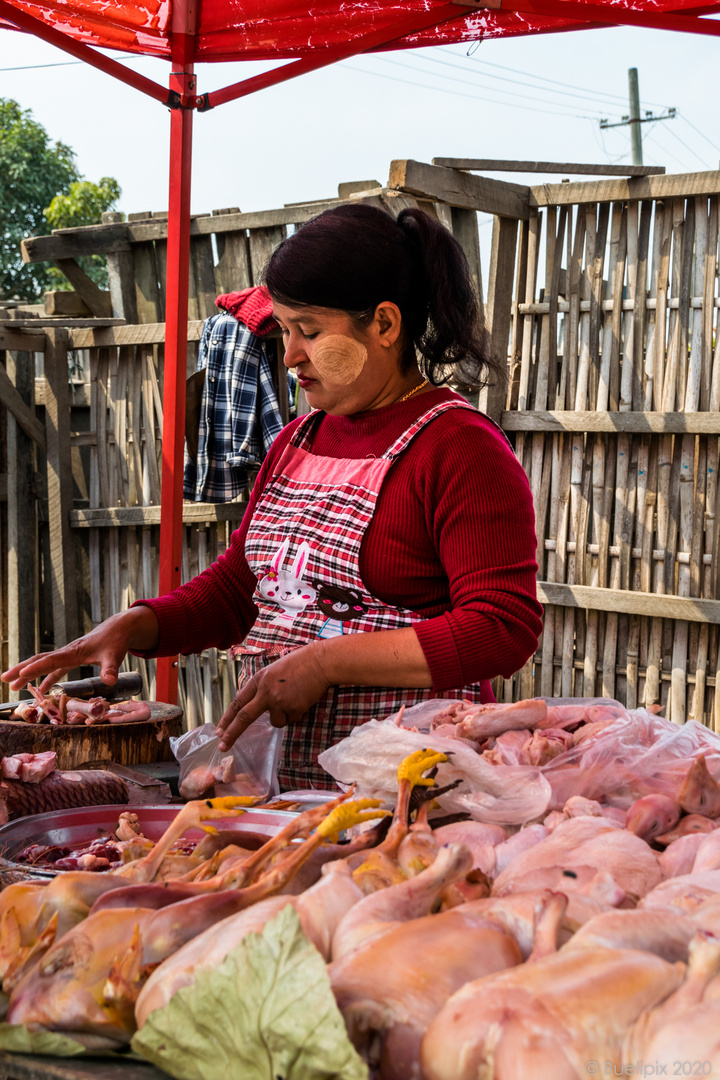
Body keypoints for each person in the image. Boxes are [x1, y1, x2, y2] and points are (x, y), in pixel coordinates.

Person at [2, 204, 543, 791]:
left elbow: (501, 628)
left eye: (308, 331)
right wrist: (136, 625)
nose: (289, 356)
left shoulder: (459, 447)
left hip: (410, 791)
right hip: (287, 792)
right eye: (284, 330)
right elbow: (240, 591)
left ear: (385, 325)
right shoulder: (296, 440)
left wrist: (325, 663)